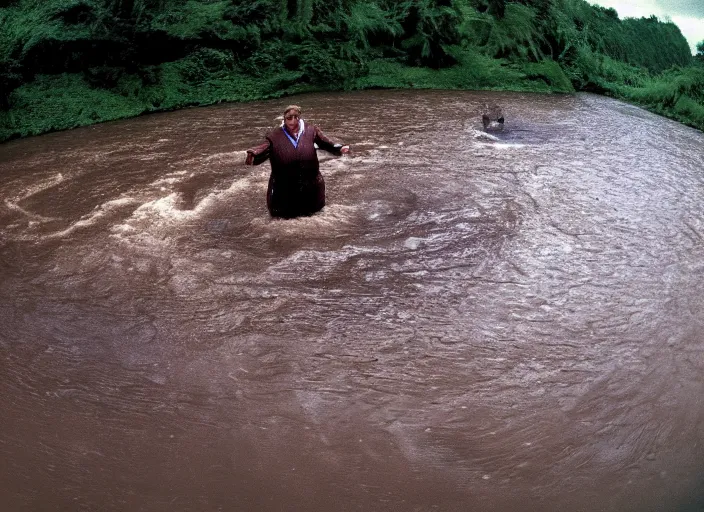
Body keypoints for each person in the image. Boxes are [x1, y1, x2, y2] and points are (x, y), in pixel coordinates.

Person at [245, 105, 350, 218]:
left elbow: (325, 142)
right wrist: (253, 154)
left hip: (310, 184)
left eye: (296, 117)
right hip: (284, 188)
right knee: (283, 218)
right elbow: (264, 148)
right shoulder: (274, 136)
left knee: (314, 215)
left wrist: (339, 148)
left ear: (299, 118)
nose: (293, 121)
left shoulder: (311, 130)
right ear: (284, 119)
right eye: (289, 118)